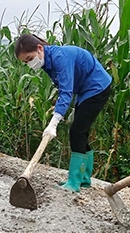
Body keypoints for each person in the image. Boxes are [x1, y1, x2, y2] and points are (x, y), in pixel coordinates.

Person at [14, 33, 112, 193]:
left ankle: (74, 182)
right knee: (81, 131)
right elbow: (63, 87)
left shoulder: (60, 57)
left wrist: (53, 123)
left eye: (30, 58)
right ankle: (84, 179)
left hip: (97, 87)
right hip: (85, 90)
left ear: (39, 48)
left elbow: (66, 92)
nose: (30, 64)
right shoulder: (47, 61)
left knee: (77, 131)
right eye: (26, 62)